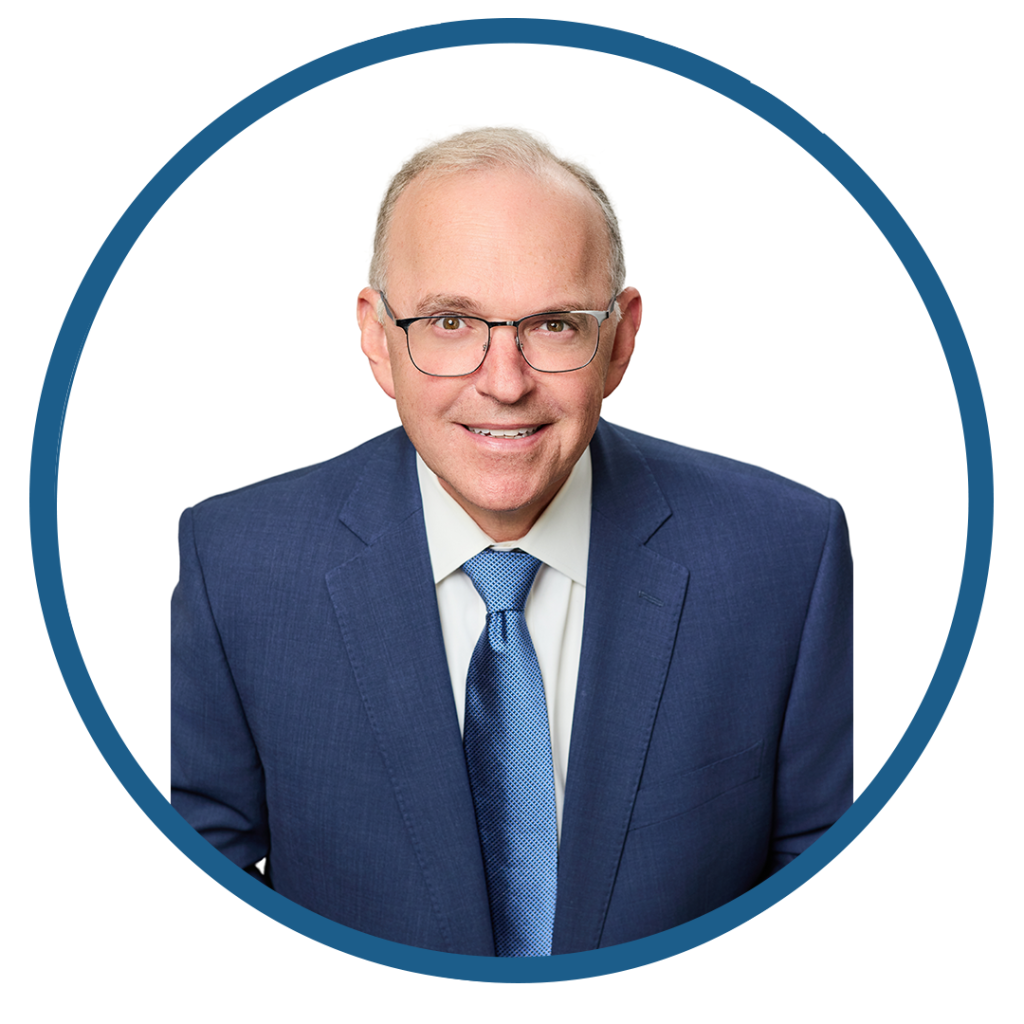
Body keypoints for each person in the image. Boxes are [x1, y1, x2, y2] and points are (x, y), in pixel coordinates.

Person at [172, 127, 852, 957]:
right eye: (452, 321)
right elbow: (187, 896)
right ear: (378, 337)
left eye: (555, 325)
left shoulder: (786, 557)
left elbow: (828, 890)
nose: (504, 381)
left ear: (620, 338)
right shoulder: (238, 564)